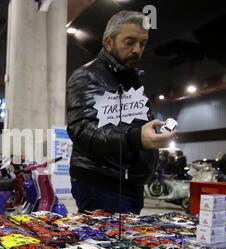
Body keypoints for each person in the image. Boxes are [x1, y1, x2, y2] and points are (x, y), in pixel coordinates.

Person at [66, 11, 177, 215]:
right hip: (101, 184)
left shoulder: (128, 79)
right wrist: (136, 138)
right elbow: (82, 131)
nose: (137, 50)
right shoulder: (87, 77)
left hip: (129, 183)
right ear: (108, 42)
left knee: (126, 245)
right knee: (107, 245)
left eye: (142, 43)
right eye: (130, 41)